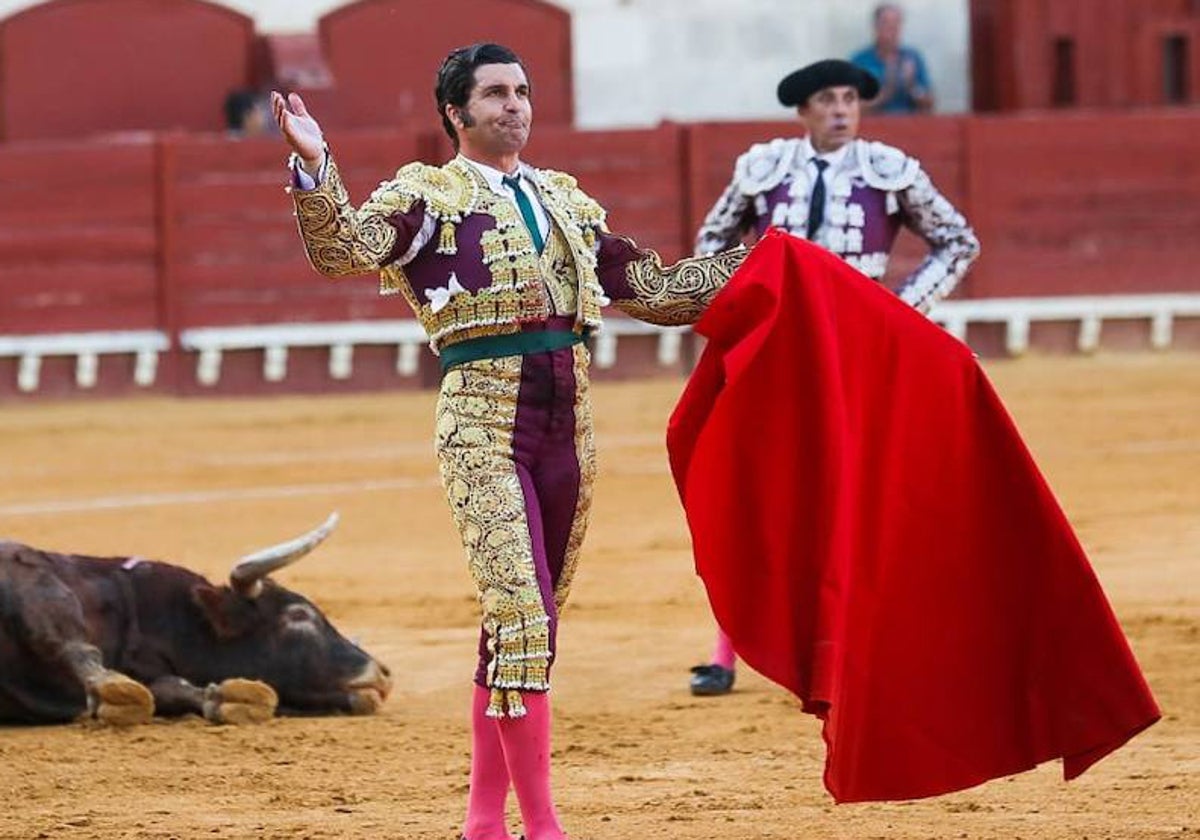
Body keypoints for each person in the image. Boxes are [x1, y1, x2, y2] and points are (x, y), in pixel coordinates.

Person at [272, 42, 744, 840]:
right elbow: (343, 251)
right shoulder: (428, 195)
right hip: (483, 425)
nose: (514, 106)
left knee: (527, 622)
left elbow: (656, 292)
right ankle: (543, 825)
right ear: (456, 113)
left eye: (521, 92)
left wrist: (768, 268)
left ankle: (483, 823)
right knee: (521, 615)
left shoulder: (566, 200)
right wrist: (318, 169)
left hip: (569, 425)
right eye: (495, 95)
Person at [689, 57, 980, 697]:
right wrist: (740, 308)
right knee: (762, 490)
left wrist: (899, 314)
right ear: (805, 110)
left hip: (856, 344)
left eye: (851, 98)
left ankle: (857, 641)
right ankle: (726, 652)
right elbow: (712, 246)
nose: (843, 109)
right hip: (776, 345)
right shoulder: (763, 168)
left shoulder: (891, 170)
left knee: (856, 488)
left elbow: (957, 241)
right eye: (828, 99)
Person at [850, 3, 934, 114]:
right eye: (886, 23)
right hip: (872, 127)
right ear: (875, 26)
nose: (892, 28)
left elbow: (930, 104)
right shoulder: (860, 61)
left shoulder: (913, 58)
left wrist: (912, 86)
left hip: (909, 126)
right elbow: (851, 107)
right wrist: (886, 91)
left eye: (896, 23)